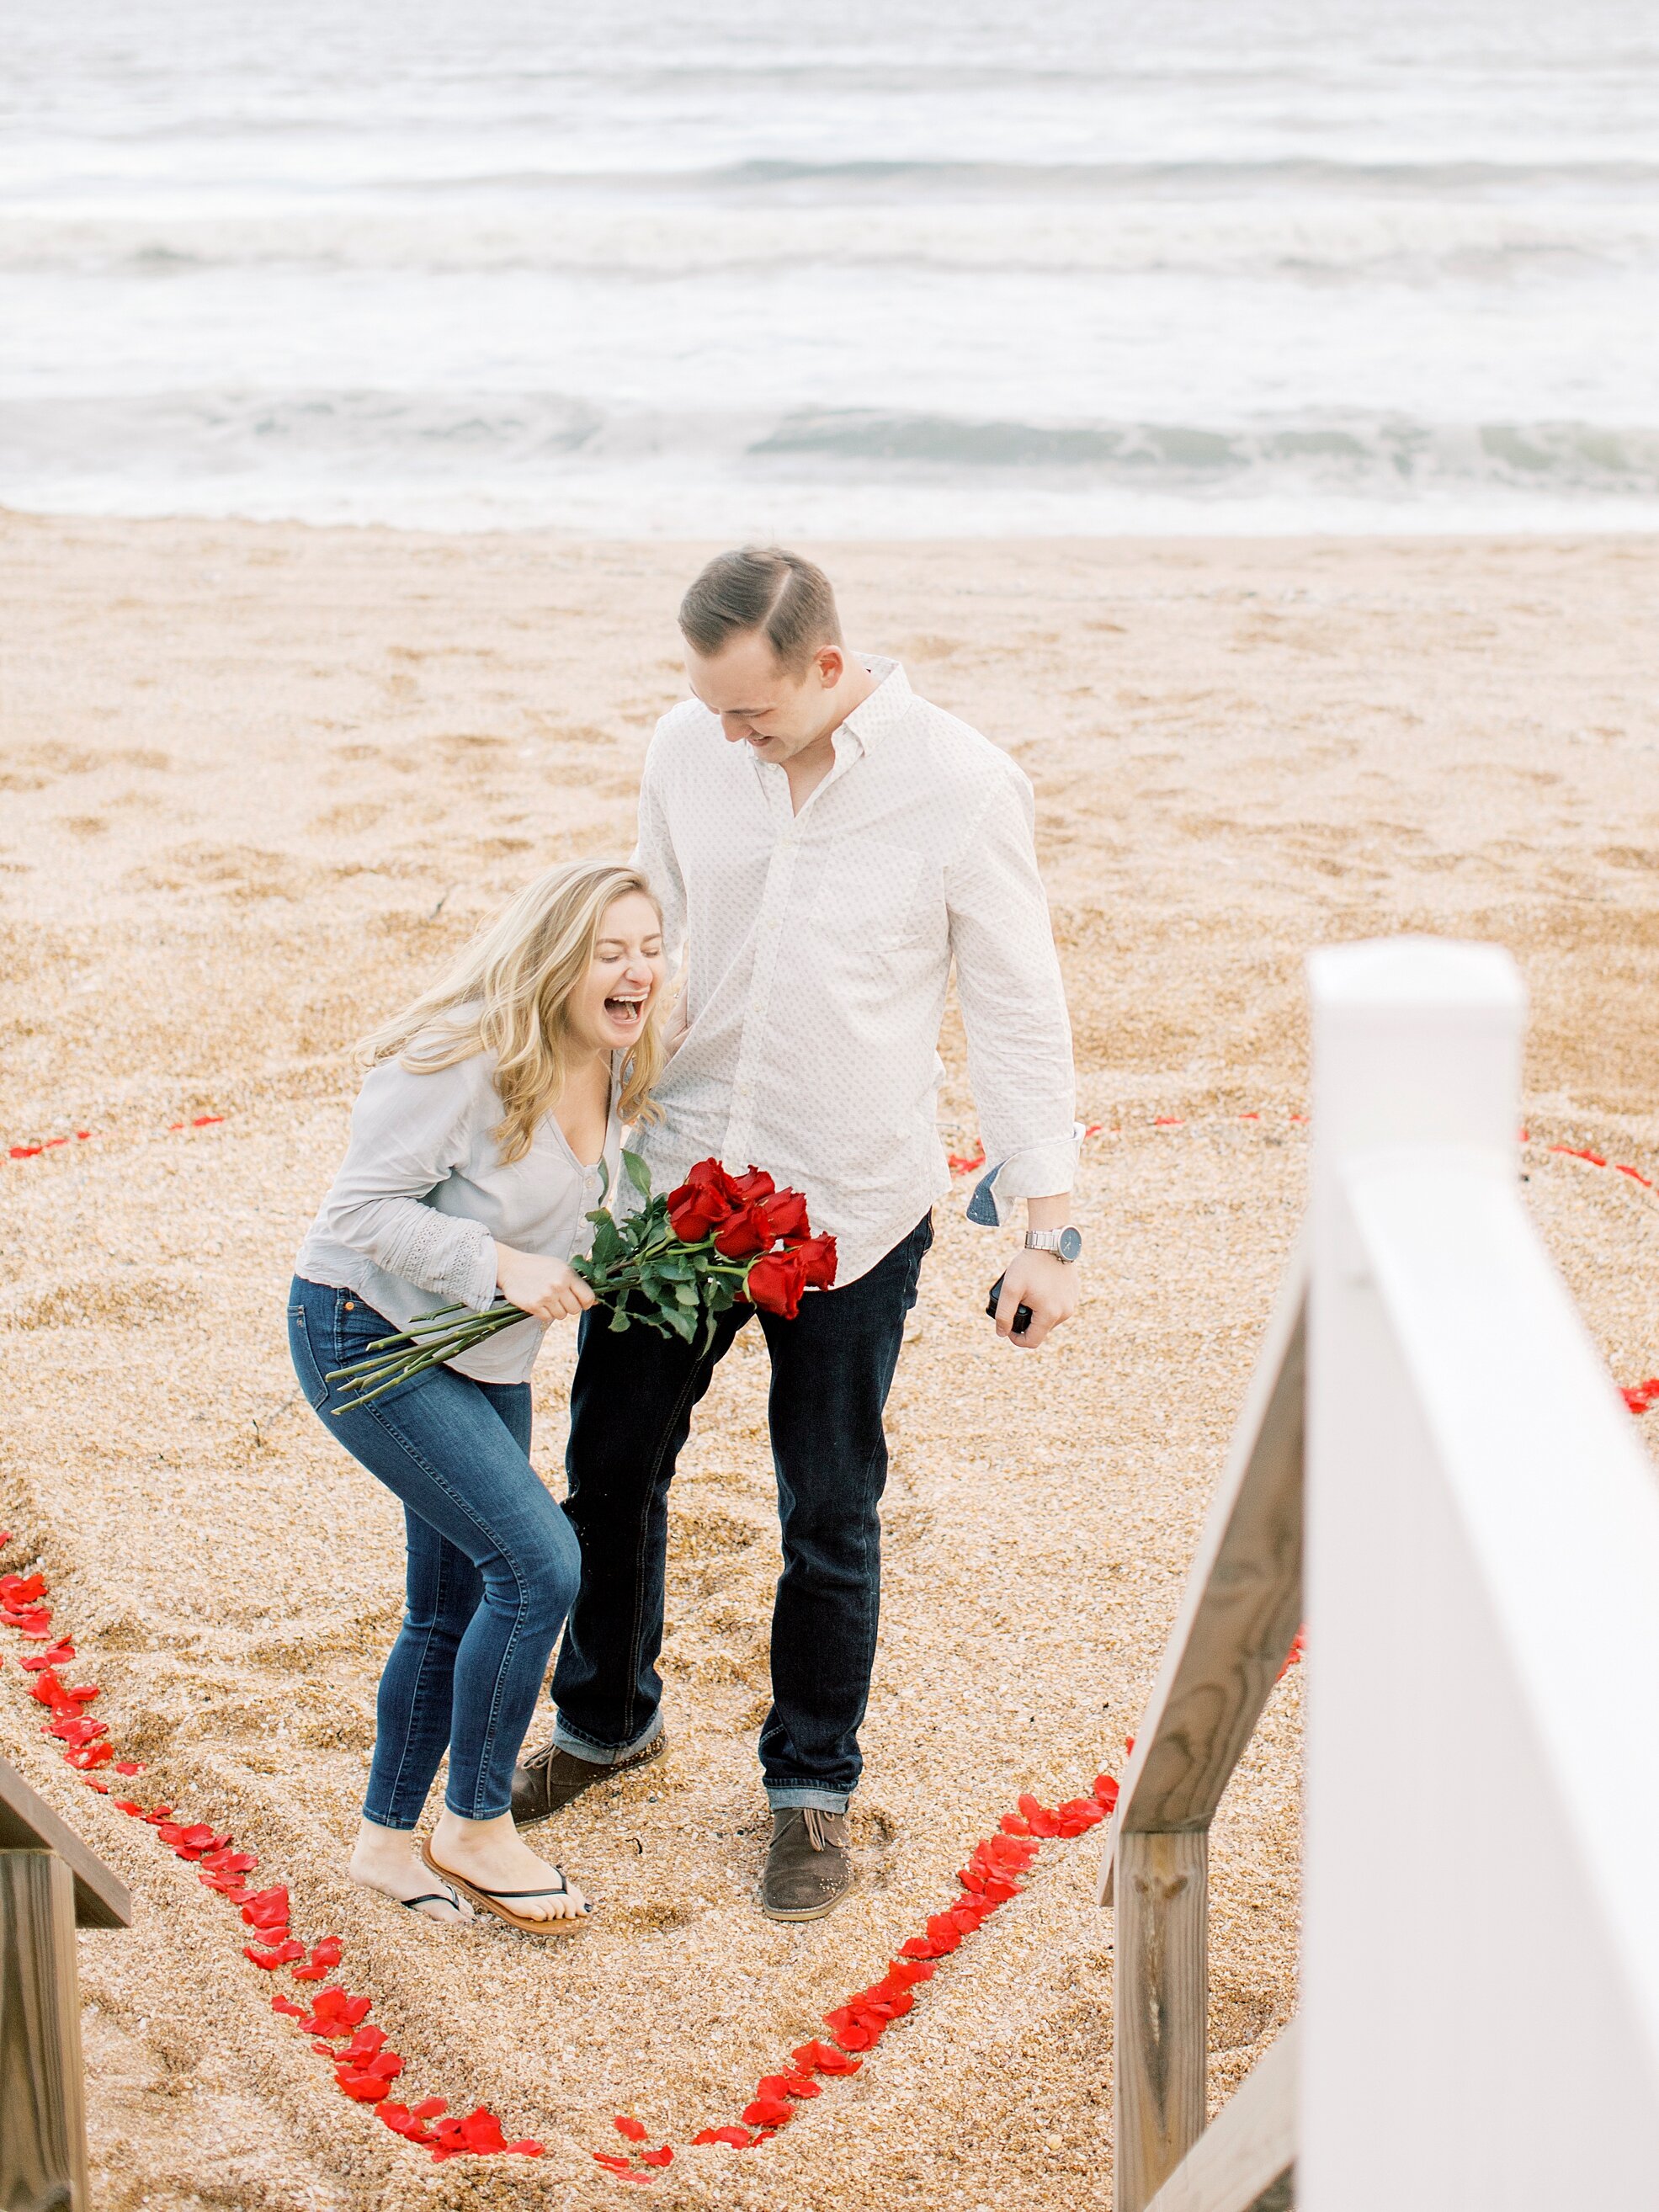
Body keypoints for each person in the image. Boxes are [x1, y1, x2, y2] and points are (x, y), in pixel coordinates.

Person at [512, 547, 1082, 1921]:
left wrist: (1046, 1229)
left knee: (826, 1508)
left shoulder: (960, 784)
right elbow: (642, 941)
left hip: (853, 1197)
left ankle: (810, 1787)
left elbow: (1015, 1006)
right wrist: (578, 1136)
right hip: (680, 1182)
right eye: (707, 705)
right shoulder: (685, 746)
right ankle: (604, 1717)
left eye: (751, 709)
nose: (726, 733)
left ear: (826, 667)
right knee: (606, 1468)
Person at [286, 860, 667, 1933]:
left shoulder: (624, 1060)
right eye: (608, 951)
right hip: (365, 1332)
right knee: (540, 1563)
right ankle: (475, 1823)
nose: (635, 971)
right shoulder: (462, 1058)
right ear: (556, 960)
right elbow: (359, 1209)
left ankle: (381, 1842)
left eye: (648, 948)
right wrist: (500, 1264)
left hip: (482, 1355)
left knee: (451, 1602)